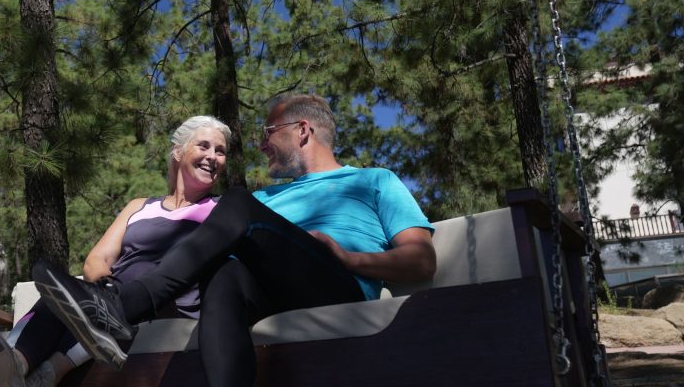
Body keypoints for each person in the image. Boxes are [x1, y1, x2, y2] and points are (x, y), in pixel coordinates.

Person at [33, 93, 436, 387]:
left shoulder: (372, 181)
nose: (261, 145)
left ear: (302, 130)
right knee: (224, 276)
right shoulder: (263, 200)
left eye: (268, 132)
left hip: (334, 281)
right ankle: (116, 310)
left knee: (238, 202)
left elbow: (421, 261)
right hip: (271, 291)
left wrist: (349, 259)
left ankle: (120, 308)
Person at [0, 115, 231, 387]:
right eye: (204, 146)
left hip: (166, 302)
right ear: (178, 151)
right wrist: (104, 293)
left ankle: (50, 370)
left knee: (123, 284)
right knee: (60, 293)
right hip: (115, 295)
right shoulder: (139, 206)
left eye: (220, 151)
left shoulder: (223, 210)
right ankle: (14, 363)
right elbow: (97, 259)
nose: (213, 156)